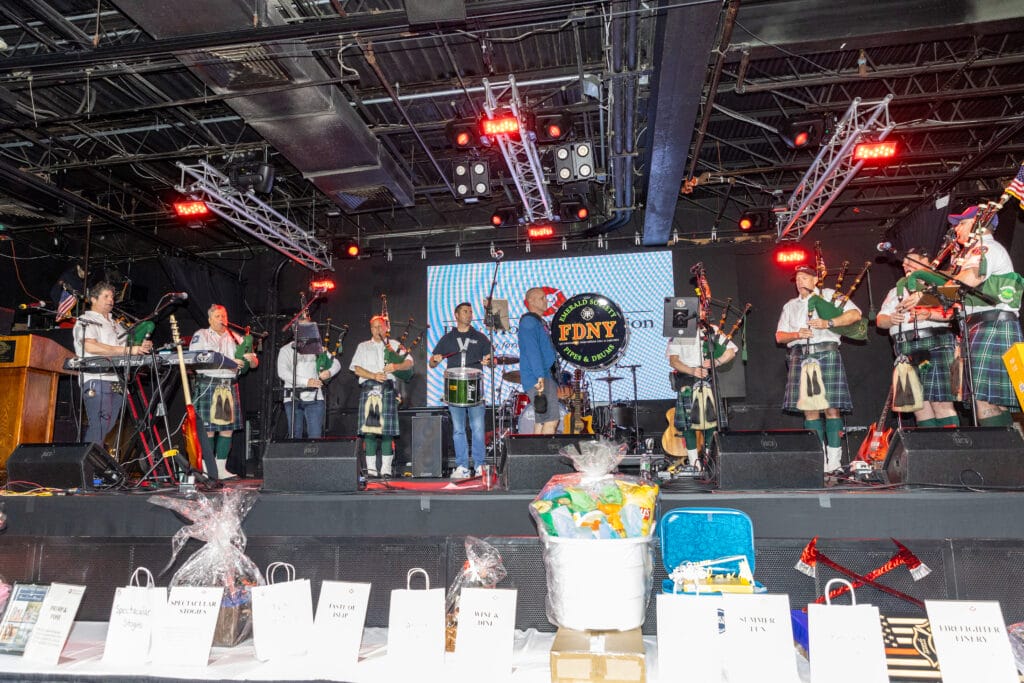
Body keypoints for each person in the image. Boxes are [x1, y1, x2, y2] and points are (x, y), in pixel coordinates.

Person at [776, 265, 863, 472]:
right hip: (801, 356)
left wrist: (828, 322)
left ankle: (834, 462)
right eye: (798, 278)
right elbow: (779, 336)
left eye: (805, 277)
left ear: (816, 280)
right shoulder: (790, 306)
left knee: (831, 409)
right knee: (810, 410)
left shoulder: (830, 296)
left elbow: (855, 315)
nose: (800, 281)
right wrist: (797, 334)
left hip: (827, 352)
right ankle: (818, 460)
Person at [940, 206, 1021, 424]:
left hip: (992, 325)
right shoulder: (975, 252)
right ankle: (1007, 443)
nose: (956, 228)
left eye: (962, 223)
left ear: (978, 223)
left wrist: (938, 287)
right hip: (981, 326)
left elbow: (970, 279)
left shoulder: (985, 248)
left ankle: (998, 446)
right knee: (991, 400)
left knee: (984, 400)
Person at [876, 249, 959, 428]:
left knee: (941, 403)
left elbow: (954, 313)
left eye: (911, 261)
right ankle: (929, 447)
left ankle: (952, 445)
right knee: (919, 407)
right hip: (905, 349)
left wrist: (929, 314)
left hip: (934, 345)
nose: (905, 265)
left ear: (927, 262)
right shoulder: (896, 291)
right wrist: (891, 319)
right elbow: (880, 320)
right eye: (904, 263)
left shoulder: (942, 286)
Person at [73, 281, 153, 446]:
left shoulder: (115, 323)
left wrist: (141, 346)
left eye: (112, 297)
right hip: (96, 378)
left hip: (117, 379)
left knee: (108, 425)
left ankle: (91, 457)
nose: (111, 300)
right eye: (106, 296)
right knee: (99, 425)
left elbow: (127, 346)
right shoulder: (86, 320)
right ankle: (89, 460)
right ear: (93, 299)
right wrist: (129, 350)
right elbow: (90, 346)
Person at [189, 304, 259, 479]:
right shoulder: (201, 335)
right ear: (210, 319)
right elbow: (196, 359)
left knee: (227, 430)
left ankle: (220, 469)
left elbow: (254, 363)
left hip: (229, 385)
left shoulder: (235, 337)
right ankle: (207, 468)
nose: (222, 319)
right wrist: (231, 362)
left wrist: (250, 359)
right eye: (218, 316)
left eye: (224, 316)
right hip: (209, 384)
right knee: (208, 430)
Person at [429, 302, 492, 480]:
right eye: (465, 311)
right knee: (458, 429)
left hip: (474, 387)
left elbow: (492, 361)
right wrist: (435, 360)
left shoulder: (480, 337)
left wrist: (489, 361)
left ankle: (479, 465)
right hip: (455, 387)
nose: (469, 314)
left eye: (470, 311)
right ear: (456, 315)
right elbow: (432, 364)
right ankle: (462, 466)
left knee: (478, 428)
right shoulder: (448, 338)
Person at [350, 315, 414, 478]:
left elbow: (409, 362)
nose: (377, 330)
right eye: (374, 327)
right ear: (371, 329)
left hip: (387, 389)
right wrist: (373, 375)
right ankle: (371, 470)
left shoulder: (394, 345)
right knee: (370, 432)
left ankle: (386, 469)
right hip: (370, 389)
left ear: (386, 328)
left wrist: (396, 366)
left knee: (387, 432)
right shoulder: (363, 346)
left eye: (380, 326)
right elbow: (356, 369)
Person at [666, 323, 737, 468]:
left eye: (703, 311)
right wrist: (692, 371)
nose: (701, 313)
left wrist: (717, 361)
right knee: (688, 426)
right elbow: (673, 361)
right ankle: (695, 464)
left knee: (712, 422)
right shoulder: (679, 331)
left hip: (707, 379)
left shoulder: (712, 330)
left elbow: (731, 352)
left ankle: (708, 462)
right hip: (687, 379)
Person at [277, 319, 341, 439]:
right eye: (304, 327)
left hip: (315, 399)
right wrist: (306, 382)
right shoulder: (286, 350)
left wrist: (329, 372)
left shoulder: (317, 348)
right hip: (292, 398)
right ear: (295, 329)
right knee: (294, 437)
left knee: (315, 439)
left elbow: (336, 364)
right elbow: (283, 372)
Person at [518, 287, 560, 434]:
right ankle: (545, 450)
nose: (546, 301)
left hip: (543, 375)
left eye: (545, 298)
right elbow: (532, 350)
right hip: (539, 378)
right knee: (551, 420)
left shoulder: (539, 322)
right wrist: (540, 376)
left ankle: (535, 449)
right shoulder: (529, 322)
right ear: (531, 301)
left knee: (541, 421)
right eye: (542, 298)